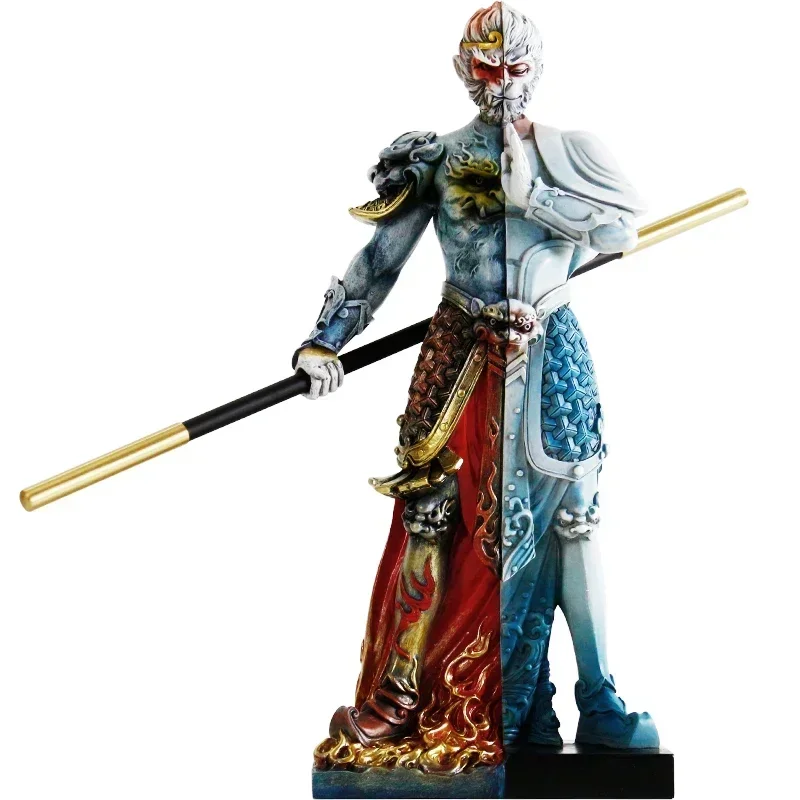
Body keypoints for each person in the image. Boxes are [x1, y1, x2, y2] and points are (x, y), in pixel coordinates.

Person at [297, 2, 659, 772]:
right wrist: (324, 340)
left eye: (517, 67)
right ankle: (400, 694)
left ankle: (599, 701)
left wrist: (533, 196)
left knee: (574, 522)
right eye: (488, 68)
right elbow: (379, 261)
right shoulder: (436, 160)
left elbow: (621, 230)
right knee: (429, 516)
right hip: (459, 349)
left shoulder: (571, 152)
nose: (503, 83)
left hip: (551, 351)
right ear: (465, 71)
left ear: (538, 69)